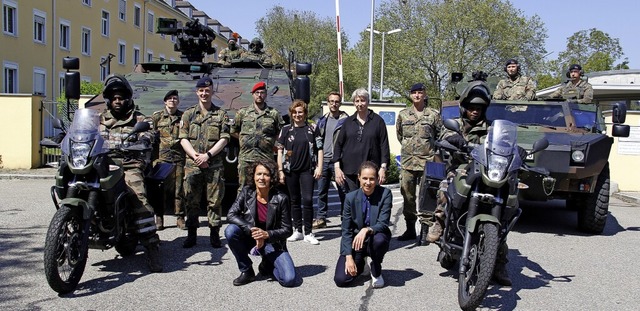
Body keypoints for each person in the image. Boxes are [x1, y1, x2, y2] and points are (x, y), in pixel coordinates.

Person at [425, 80, 512, 286]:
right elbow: (443, 139)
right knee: (445, 188)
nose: (474, 112)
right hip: (460, 170)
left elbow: (504, 144)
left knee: (503, 216)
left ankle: (498, 265)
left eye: (479, 108)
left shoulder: (491, 129)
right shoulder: (455, 124)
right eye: (471, 108)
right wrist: (454, 141)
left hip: (486, 173)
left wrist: (516, 150)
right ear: (464, 108)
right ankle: (439, 222)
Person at [98, 74, 162, 272]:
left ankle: (152, 249)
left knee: (138, 197)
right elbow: (85, 133)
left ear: (128, 98)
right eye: (114, 98)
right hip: (101, 164)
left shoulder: (139, 119)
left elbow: (149, 133)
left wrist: (144, 139)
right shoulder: (99, 119)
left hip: (129, 165)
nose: (118, 101)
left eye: (121, 97)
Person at [225, 159, 297, 287]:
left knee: (288, 280)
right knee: (230, 231)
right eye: (258, 174)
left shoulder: (282, 198)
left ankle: (267, 264)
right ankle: (247, 271)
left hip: (272, 242)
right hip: (250, 237)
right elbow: (231, 214)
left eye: (266, 175)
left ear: (272, 177)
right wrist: (252, 229)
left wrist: (266, 234)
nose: (261, 178)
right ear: (253, 176)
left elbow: (287, 230)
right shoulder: (247, 192)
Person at [179, 76, 230, 248]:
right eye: (201, 90)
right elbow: (183, 138)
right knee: (191, 201)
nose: (204, 93)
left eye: (207, 91)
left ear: (212, 92)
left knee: (214, 201)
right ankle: (191, 234)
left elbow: (224, 138)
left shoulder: (220, 114)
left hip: (213, 164)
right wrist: (196, 156)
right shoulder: (188, 114)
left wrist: (207, 155)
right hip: (193, 164)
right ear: (197, 92)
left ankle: (214, 234)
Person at [395, 83, 442, 242]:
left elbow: (439, 136)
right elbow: (400, 136)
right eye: (414, 92)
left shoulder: (433, 115)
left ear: (424, 94)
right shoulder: (403, 115)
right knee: (407, 195)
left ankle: (424, 230)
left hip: (427, 163)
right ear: (410, 95)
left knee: (426, 196)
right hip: (408, 162)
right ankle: (409, 229)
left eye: (419, 92)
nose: (416, 95)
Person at [334, 161, 392, 288]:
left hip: (374, 238)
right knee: (341, 280)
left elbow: (383, 223)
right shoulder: (350, 198)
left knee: (380, 239)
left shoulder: (385, 194)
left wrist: (366, 230)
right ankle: (361, 263)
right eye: (364, 178)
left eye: (372, 179)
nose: (368, 182)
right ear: (358, 177)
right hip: (357, 243)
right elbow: (346, 229)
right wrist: (349, 257)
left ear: (377, 179)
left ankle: (376, 270)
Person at [276, 100, 323, 245]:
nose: (297, 115)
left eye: (300, 112)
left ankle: (308, 232)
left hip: (307, 170)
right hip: (290, 170)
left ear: (305, 113)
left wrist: (319, 167)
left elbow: (319, 149)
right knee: (294, 201)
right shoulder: (286, 130)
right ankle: (298, 230)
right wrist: (280, 170)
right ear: (291, 114)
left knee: (307, 200)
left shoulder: (313, 129)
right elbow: (279, 151)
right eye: (295, 112)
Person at [333, 88, 390, 200]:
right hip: (349, 172)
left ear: (368, 102)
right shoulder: (348, 122)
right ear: (354, 103)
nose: (360, 104)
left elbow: (384, 146)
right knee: (352, 202)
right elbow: (338, 145)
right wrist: (337, 167)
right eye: (357, 101)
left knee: (370, 202)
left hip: (370, 173)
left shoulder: (378, 121)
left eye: (362, 100)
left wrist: (383, 168)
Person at [231, 81, 285, 191]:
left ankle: (263, 208)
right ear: (252, 94)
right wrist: (244, 139)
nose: (259, 95)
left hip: (265, 158)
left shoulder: (273, 114)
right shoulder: (242, 113)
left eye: (262, 92)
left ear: (265, 94)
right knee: (244, 189)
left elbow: (281, 132)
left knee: (265, 187)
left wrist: (269, 141)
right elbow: (233, 130)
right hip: (246, 158)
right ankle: (245, 209)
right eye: (257, 92)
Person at [313, 92, 349, 229]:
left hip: (339, 162)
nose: (334, 104)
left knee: (343, 190)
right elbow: (317, 141)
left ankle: (345, 217)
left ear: (340, 103)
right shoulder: (322, 120)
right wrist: (316, 160)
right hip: (323, 160)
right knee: (322, 191)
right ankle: (321, 218)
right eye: (331, 101)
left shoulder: (346, 121)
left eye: (337, 102)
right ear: (327, 103)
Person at [151, 89, 186, 230]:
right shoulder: (157, 117)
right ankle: (159, 217)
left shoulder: (183, 117)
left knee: (179, 190)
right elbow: (152, 136)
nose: (172, 100)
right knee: (161, 190)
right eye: (170, 98)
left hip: (178, 158)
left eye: (175, 98)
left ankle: (180, 217)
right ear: (165, 101)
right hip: (162, 159)